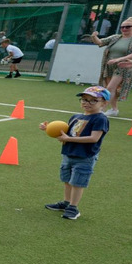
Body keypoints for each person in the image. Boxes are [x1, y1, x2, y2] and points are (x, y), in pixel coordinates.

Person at [39, 86, 111, 221]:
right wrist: (48, 129)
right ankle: (66, 203)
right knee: (67, 180)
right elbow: (67, 135)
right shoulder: (76, 117)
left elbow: (94, 138)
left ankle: (73, 208)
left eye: (93, 101)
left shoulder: (100, 119)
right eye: (84, 99)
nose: (86, 103)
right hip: (68, 154)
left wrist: (68, 139)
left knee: (77, 183)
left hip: (85, 156)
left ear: (104, 103)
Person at [83, 16, 132, 116]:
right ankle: (114, 109)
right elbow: (100, 42)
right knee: (111, 89)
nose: (124, 29)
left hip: (125, 66)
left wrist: (119, 59)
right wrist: (94, 36)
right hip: (109, 65)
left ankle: (101, 109)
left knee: (110, 88)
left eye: (127, 27)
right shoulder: (116, 37)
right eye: (122, 27)